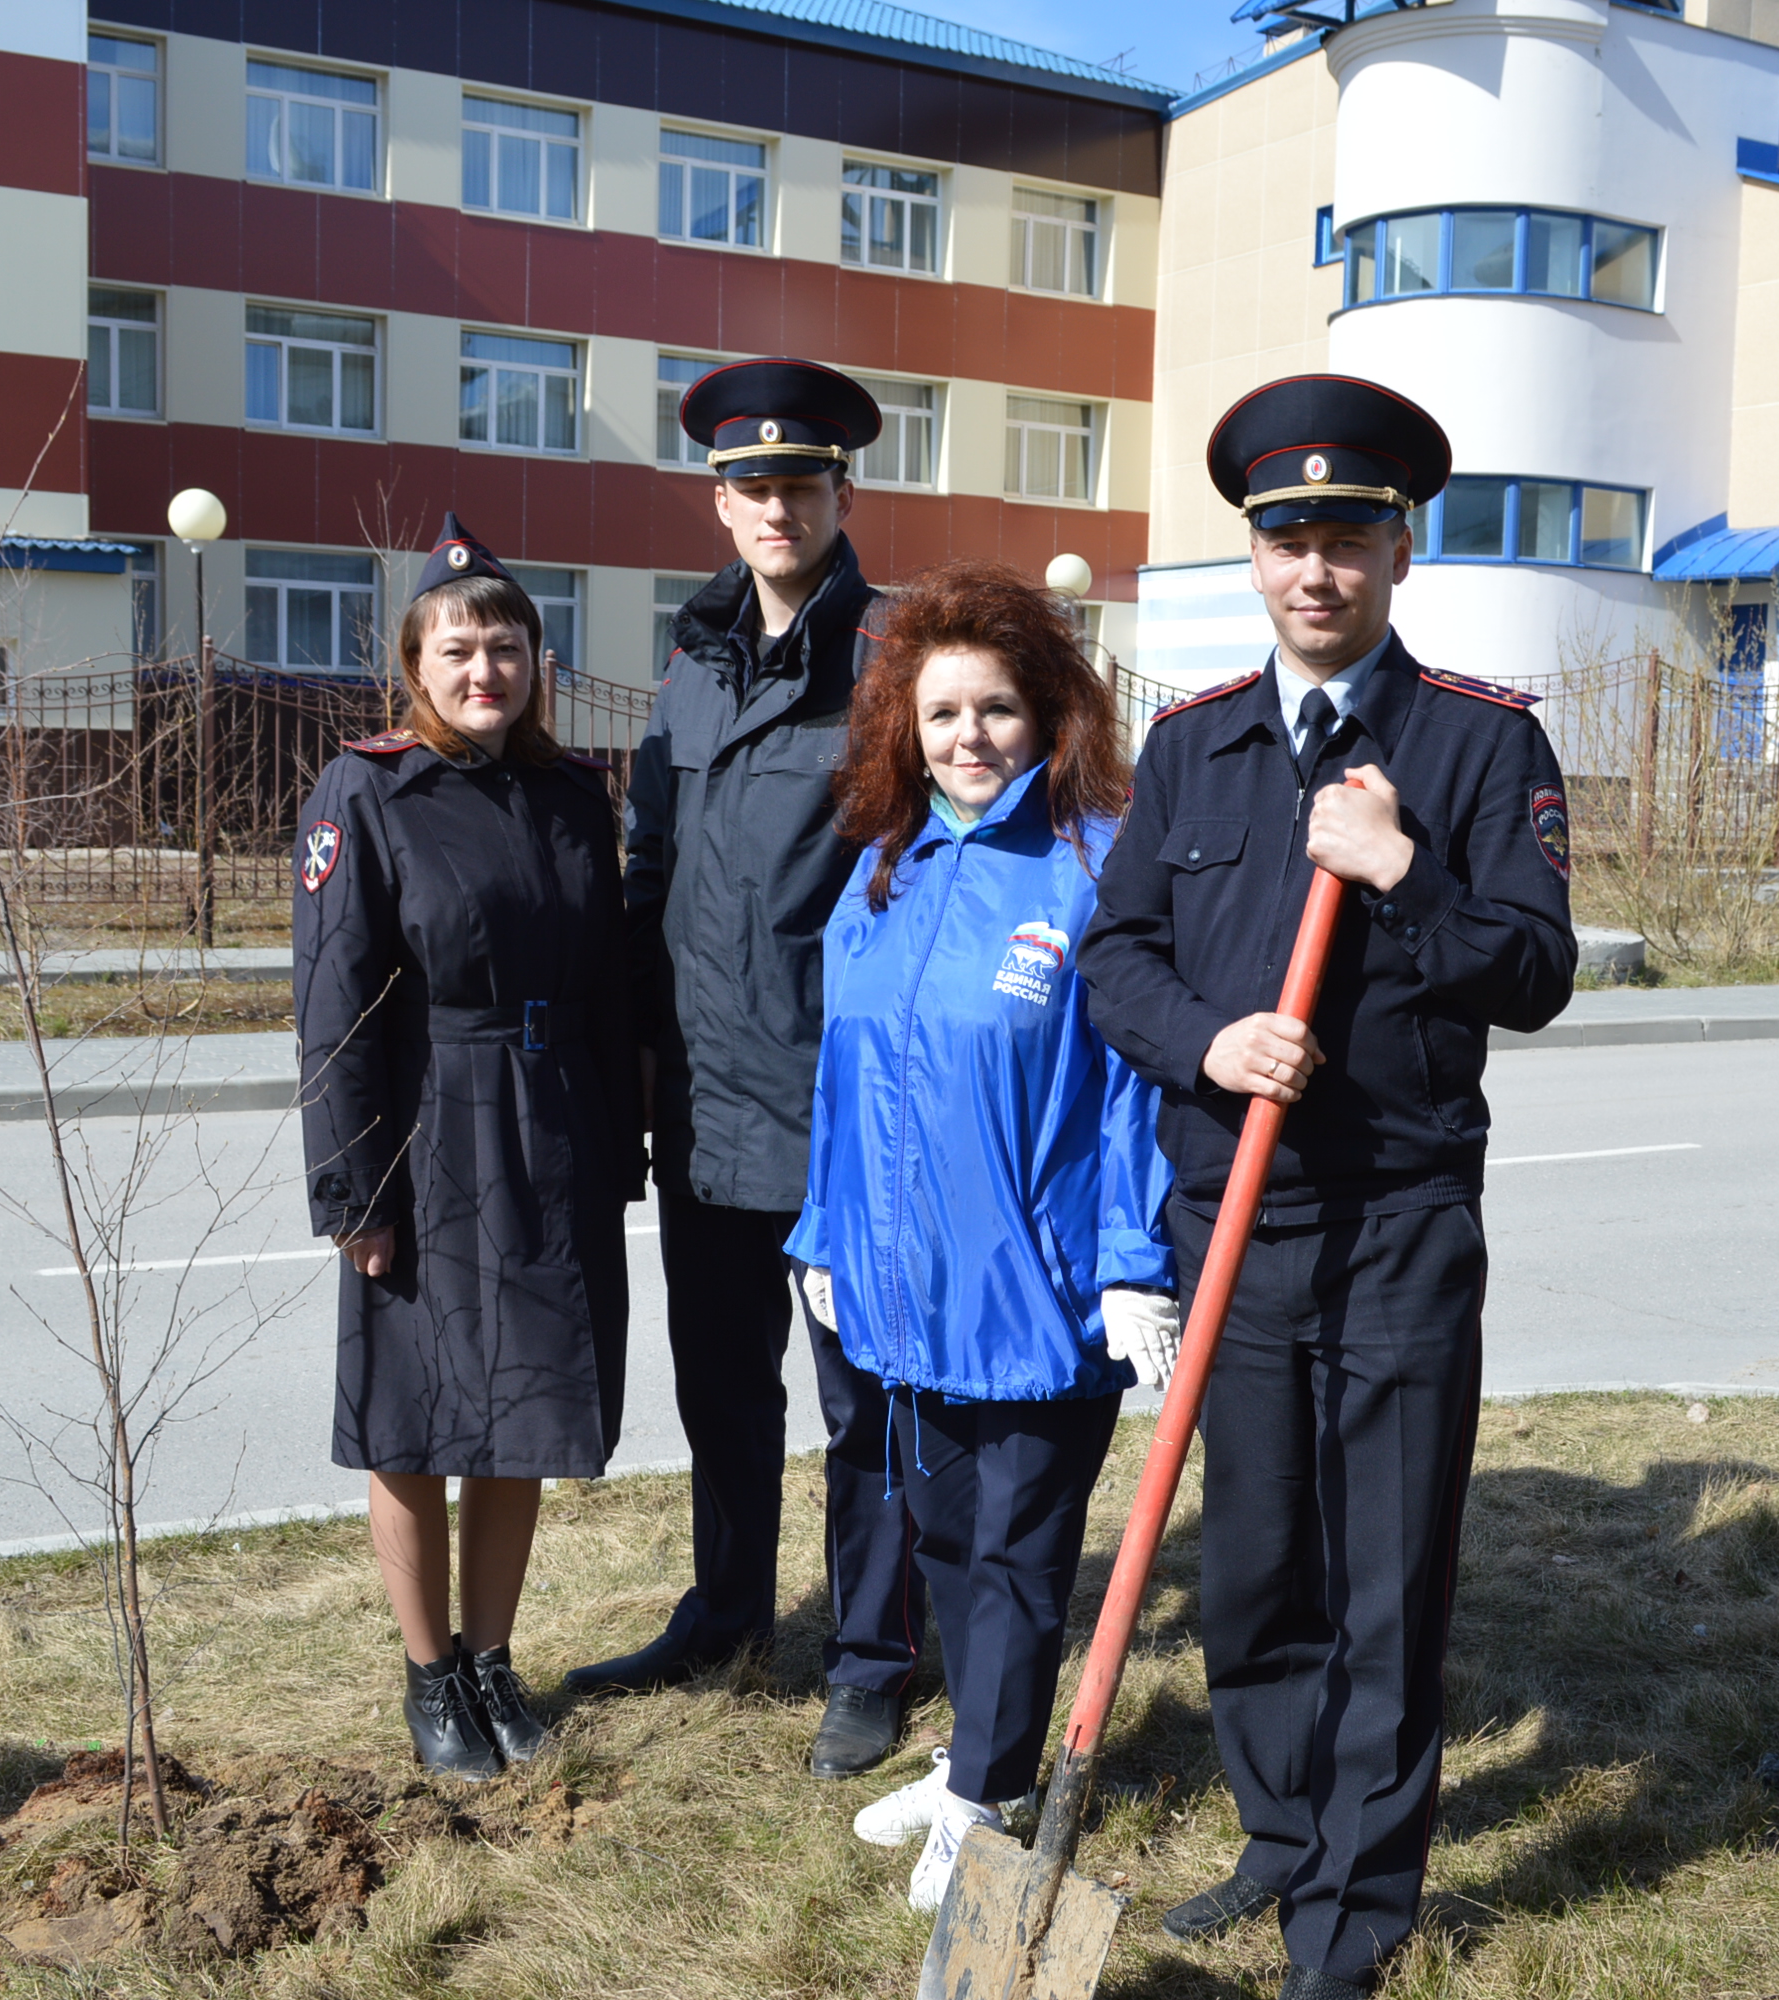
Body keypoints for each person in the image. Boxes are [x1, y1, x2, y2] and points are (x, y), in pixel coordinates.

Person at [1076, 377, 1580, 1999]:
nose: (1315, 568)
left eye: (1346, 536)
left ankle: (1350, 1915)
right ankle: (1280, 1837)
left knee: (1382, 1576)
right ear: (1253, 555)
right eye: (1286, 537)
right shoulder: (1193, 748)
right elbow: (1117, 960)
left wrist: (1404, 875)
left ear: (1399, 547)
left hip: (1400, 1223)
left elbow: (1534, 969)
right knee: (1250, 1569)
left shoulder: (1475, 744)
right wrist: (1210, 1047)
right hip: (1235, 1219)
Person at [779, 560, 1180, 1914]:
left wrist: (1134, 1261)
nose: (968, 739)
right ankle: (974, 1755)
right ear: (907, 725)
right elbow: (843, 1075)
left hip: (1038, 1289)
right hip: (903, 1287)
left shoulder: (1091, 866)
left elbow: (1134, 1087)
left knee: (1014, 1552)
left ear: (1051, 712)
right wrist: (825, 1232)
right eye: (942, 713)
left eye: (997, 709)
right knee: (942, 1538)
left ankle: (991, 1795)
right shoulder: (885, 870)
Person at [571, 357, 928, 1783]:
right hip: (705, 1104)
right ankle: (726, 1612)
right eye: (749, 484)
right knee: (723, 1389)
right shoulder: (696, 659)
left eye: (800, 480)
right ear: (719, 504)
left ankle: (872, 1652)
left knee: (866, 1406)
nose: (775, 504)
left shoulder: (899, 654)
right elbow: (654, 868)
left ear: (843, 491)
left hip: (843, 1111)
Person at [293, 515, 642, 1781]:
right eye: (458, 645)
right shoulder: (368, 791)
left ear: (534, 661)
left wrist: (618, 1145)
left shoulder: (566, 797)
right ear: (414, 663)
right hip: (425, 1130)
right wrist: (354, 1190)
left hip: (552, 1130)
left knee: (522, 1412)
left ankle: (494, 1661)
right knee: (416, 1416)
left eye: (506, 643)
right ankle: (429, 1672)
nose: (484, 666)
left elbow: (607, 986)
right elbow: (333, 1008)